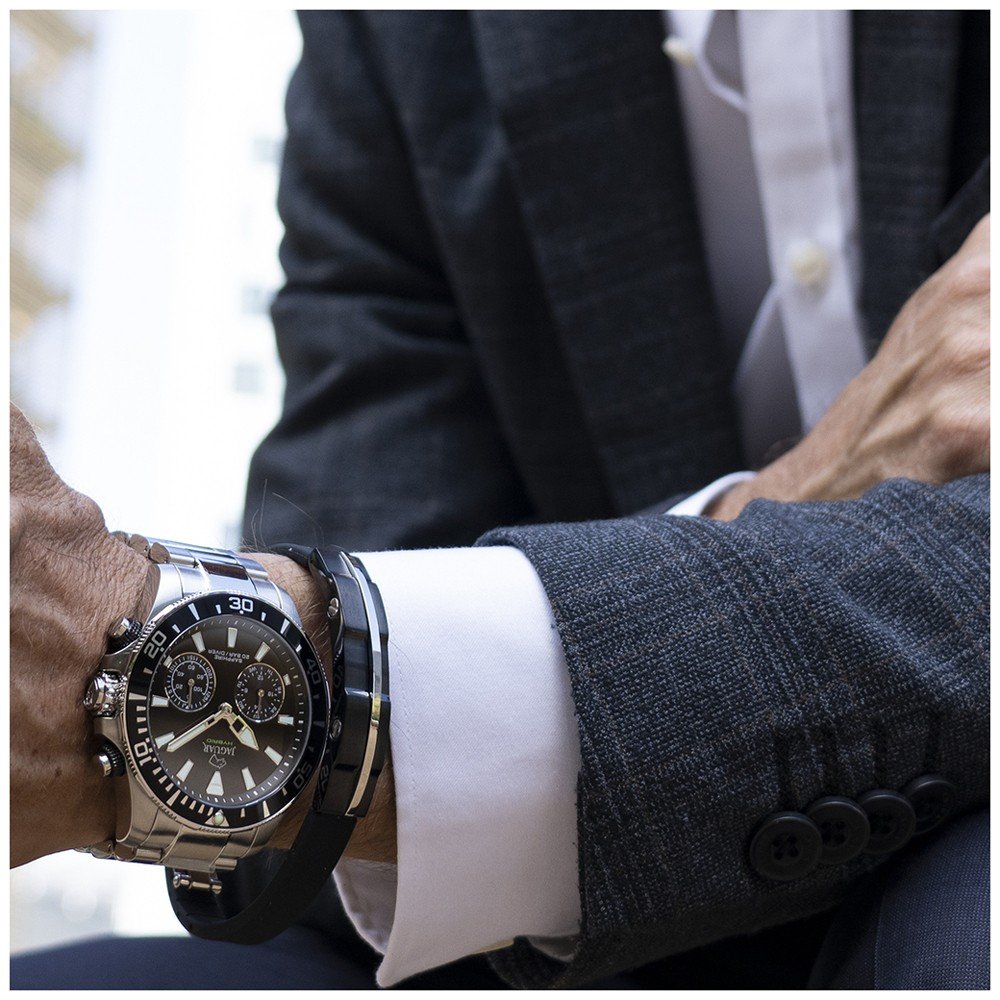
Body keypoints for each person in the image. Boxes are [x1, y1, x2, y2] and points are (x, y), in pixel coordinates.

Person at [11, 10, 988, 990]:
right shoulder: (403, 38)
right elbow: (320, 844)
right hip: (557, 926)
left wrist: (125, 681)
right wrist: (804, 492)